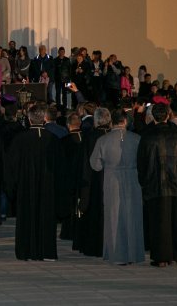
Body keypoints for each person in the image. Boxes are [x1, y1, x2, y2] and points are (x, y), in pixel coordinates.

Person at [5, 103, 64, 261]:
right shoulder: (53, 139)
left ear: (30, 119)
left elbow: (11, 167)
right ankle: (47, 251)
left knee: (27, 217)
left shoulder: (20, 139)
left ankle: (27, 251)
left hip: (26, 186)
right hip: (48, 186)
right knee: (46, 216)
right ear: (44, 118)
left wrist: (12, 188)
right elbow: (60, 167)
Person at [137, 103, 177, 267]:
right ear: (167, 115)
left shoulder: (147, 136)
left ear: (153, 116)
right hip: (174, 182)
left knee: (158, 220)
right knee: (174, 218)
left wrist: (144, 181)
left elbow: (141, 162)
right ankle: (174, 253)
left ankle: (161, 257)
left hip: (154, 183)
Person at [89, 109, 145, 265]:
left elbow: (95, 165)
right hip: (133, 179)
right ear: (125, 121)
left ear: (111, 122)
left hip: (112, 180)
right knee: (133, 215)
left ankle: (117, 253)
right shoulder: (137, 139)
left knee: (114, 217)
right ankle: (134, 253)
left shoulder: (103, 140)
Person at [75, 108, 111, 257]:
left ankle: (92, 245)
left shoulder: (89, 137)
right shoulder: (113, 136)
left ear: (96, 121)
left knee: (93, 212)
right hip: (110, 179)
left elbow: (85, 162)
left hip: (93, 181)